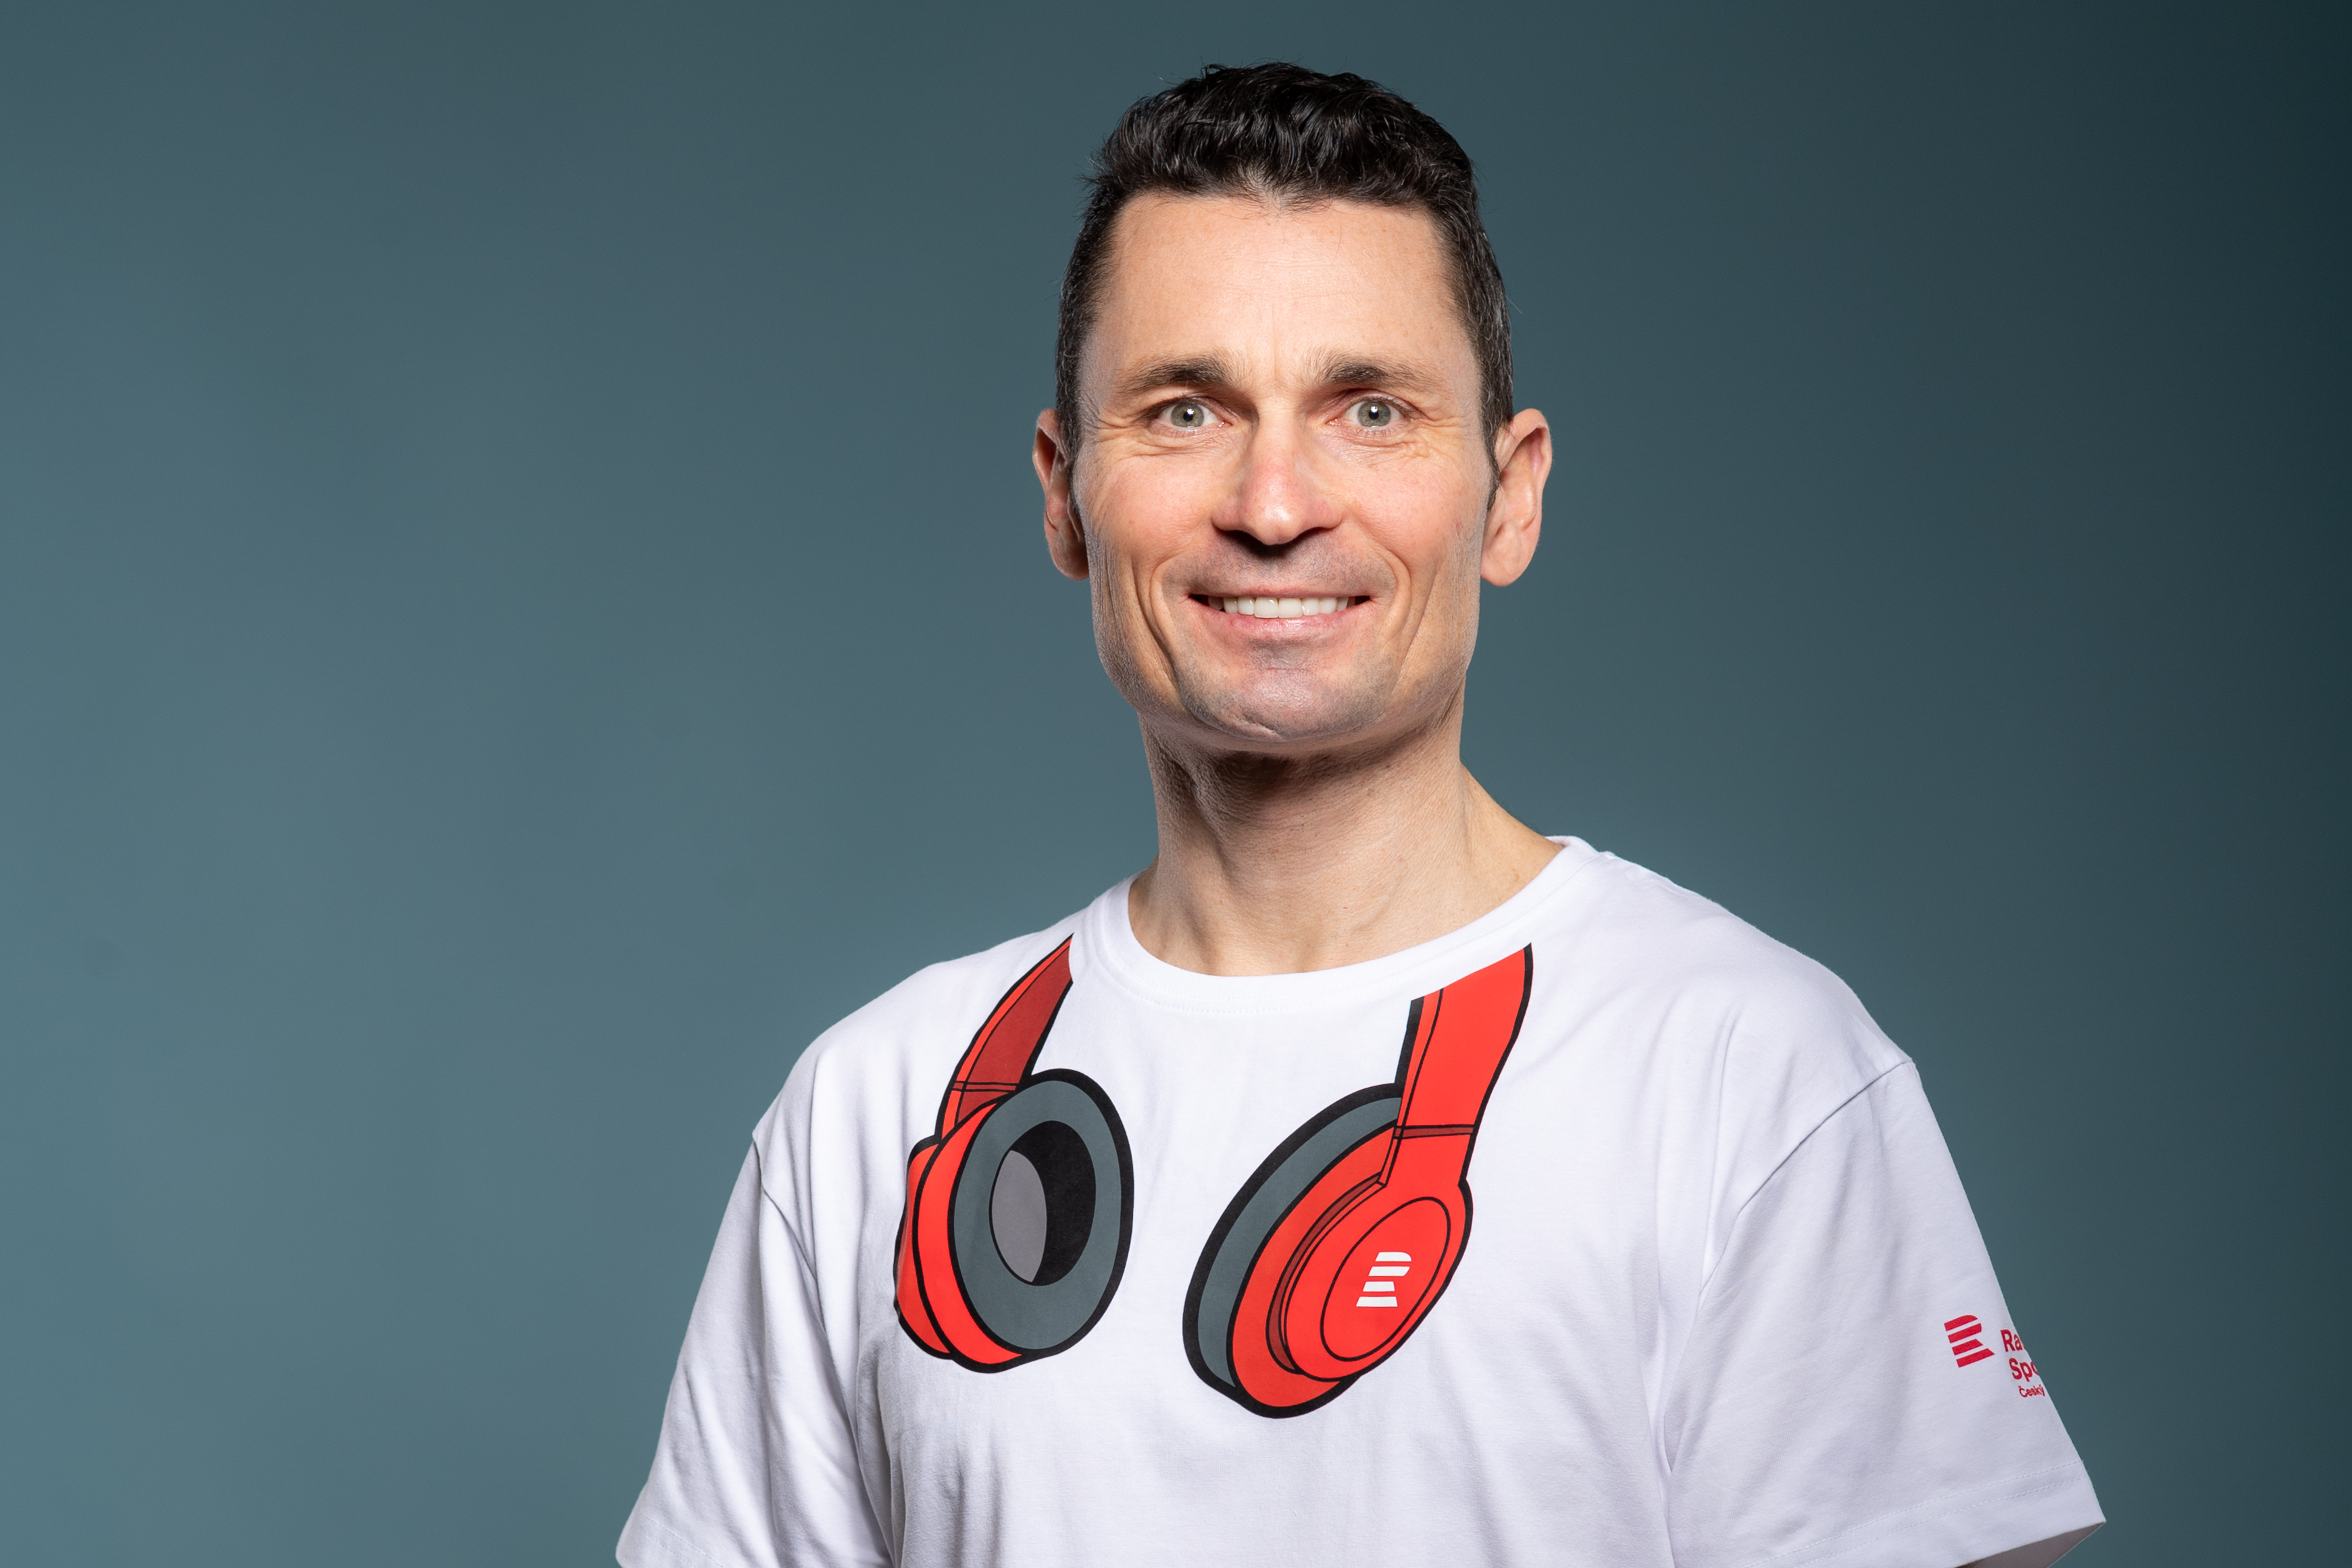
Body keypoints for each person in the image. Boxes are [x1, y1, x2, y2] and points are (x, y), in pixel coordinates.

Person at [618, 64, 2101, 1568]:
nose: (1274, 504)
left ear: (1509, 497)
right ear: (1064, 496)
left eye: (1371, 410)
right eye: (1184, 409)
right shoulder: (867, 1111)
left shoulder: (1752, 1078)